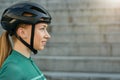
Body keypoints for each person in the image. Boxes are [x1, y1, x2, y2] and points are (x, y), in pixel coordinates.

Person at [0, 1, 51, 80]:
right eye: (42, 29)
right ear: (22, 33)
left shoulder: (26, 61)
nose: (48, 35)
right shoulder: (12, 69)